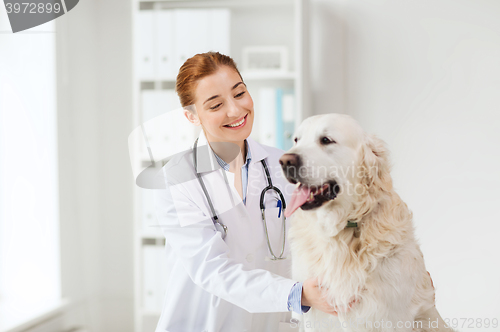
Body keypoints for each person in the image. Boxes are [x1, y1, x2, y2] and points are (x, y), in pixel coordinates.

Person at [153, 52, 357, 332]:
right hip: (204, 324)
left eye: (240, 93)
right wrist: (298, 294)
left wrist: (399, 272)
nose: (235, 110)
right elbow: (211, 269)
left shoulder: (282, 164)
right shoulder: (178, 178)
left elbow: (329, 230)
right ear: (192, 116)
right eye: (216, 105)